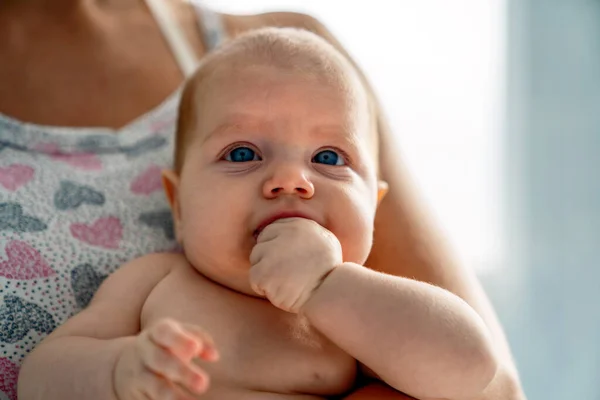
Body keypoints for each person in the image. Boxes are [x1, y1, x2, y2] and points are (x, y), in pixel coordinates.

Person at [0, 0, 525, 399]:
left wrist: (326, 284)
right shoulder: (154, 282)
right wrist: (118, 371)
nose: (291, 180)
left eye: (329, 158)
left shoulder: (352, 321)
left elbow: (475, 374)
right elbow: (44, 373)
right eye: (243, 152)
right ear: (178, 205)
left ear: (374, 206)